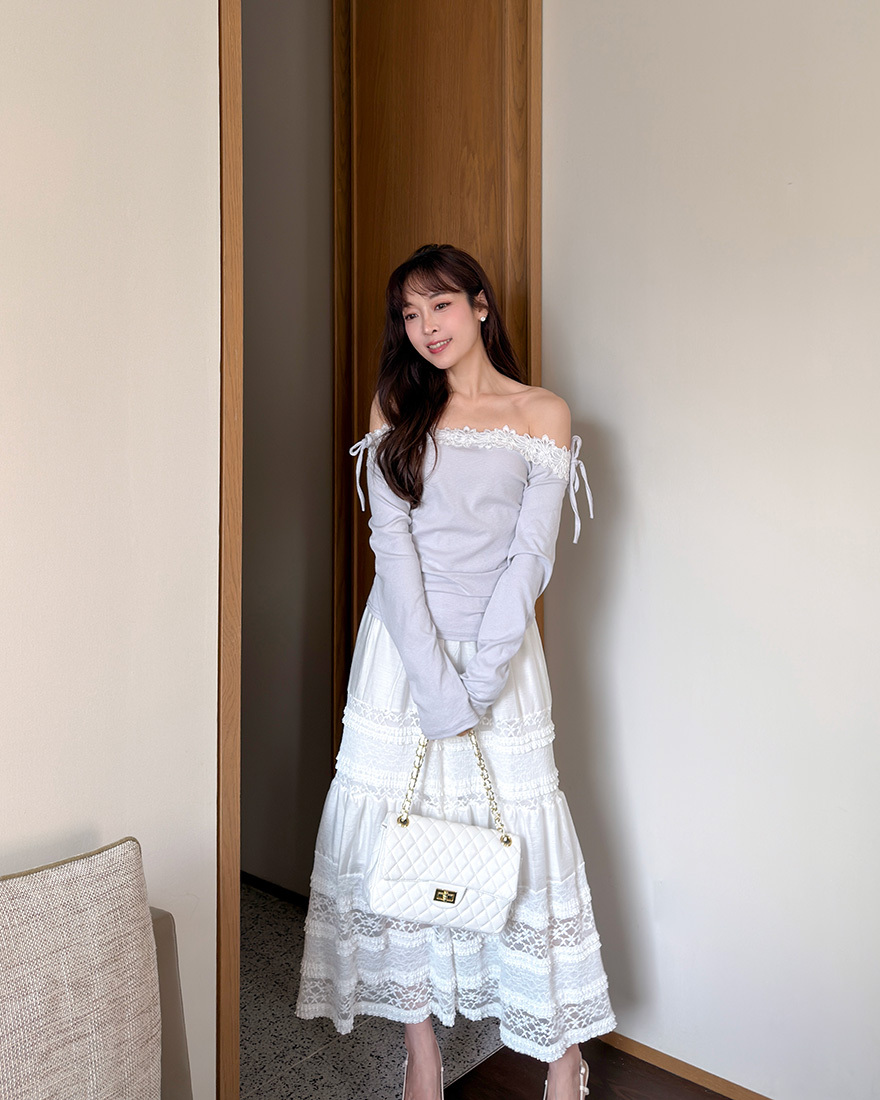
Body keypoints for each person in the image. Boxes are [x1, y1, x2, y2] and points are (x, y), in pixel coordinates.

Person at [295, 244, 615, 1100]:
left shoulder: (542, 412)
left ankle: (562, 1052)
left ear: (479, 304)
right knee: (398, 833)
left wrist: (478, 684)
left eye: (439, 305)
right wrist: (436, 685)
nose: (424, 327)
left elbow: (530, 560)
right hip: (400, 656)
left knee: (523, 836)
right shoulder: (397, 405)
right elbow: (391, 550)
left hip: (501, 658)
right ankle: (423, 1053)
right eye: (409, 314)